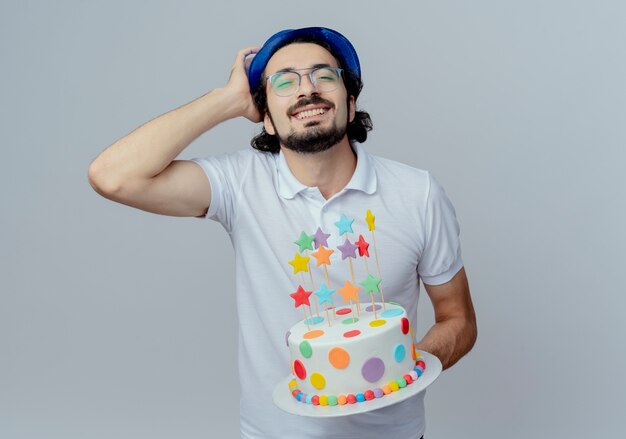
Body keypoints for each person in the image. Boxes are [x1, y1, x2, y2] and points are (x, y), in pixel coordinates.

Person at [88, 27, 477, 439]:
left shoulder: (417, 194)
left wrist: (402, 364)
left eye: (324, 75)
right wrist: (227, 100)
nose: (306, 89)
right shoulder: (239, 183)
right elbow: (112, 177)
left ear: (351, 102)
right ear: (267, 119)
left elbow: (459, 318)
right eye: (284, 82)